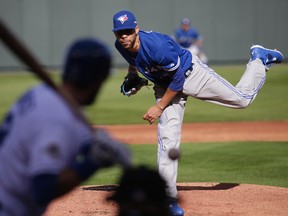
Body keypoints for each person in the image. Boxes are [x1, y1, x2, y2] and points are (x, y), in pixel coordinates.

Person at [112, 10, 284, 216]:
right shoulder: (121, 45)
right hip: (163, 85)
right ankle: (167, 199)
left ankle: (259, 59)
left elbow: (177, 80)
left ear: (137, 29)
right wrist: (133, 75)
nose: (124, 36)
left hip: (190, 75)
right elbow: (134, 59)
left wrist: (159, 107)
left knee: (241, 100)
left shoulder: (157, 47)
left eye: (128, 31)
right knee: (168, 140)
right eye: (119, 32)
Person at [0, 38, 131, 216]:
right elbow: (43, 189)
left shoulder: (41, 94)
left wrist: (95, 142)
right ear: (98, 79)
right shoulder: (58, 118)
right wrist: (92, 163)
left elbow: (74, 136)